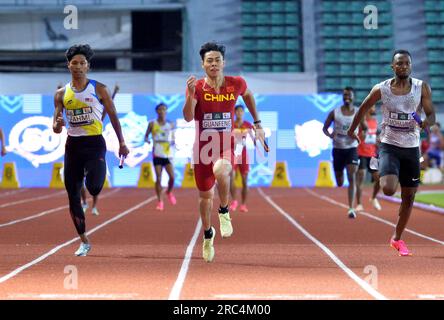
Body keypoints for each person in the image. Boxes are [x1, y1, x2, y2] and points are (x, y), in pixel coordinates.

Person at [347, 49, 436, 256]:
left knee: (409, 197)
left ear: (411, 66)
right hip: (389, 144)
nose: (403, 66)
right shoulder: (382, 89)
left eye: (406, 63)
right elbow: (362, 107)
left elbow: (431, 114)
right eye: (399, 63)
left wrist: (426, 123)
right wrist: (352, 130)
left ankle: (397, 238)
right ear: (392, 66)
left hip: (412, 147)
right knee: (388, 189)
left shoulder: (421, 88)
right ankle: (380, 161)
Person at [183, 41, 265, 262]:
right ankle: (208, 234)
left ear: (223, 62)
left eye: (217, 60)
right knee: (204, 198)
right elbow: (189, 117)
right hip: (202, 149)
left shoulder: (236, 83)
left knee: (222, 170)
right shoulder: (197, 87)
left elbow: (248, 96)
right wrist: (191, 95)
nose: (214, 64)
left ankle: (224, 210)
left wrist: (257, 123)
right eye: (209, 60)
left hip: (225, 146)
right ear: (203, 64)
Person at [53, 44, 129, 257]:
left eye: (82, 63)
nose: (78, 66)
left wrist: (122, 143)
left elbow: (113, 116)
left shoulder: (99, 89)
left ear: (88, 66)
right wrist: (58, 124)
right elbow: (56, 127)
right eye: (74, 63)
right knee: (73, 195)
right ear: (69, 65)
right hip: (73, 146)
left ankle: (91, 173)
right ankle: (84, 240)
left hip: (95, 143)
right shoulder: (60, 94)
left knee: (94, 188)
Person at [323, 86, 362, 219]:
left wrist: (359, 136)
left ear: (353, 97)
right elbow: (325, 128)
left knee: (352, 176)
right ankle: (340, 176)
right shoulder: (335, 112)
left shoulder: (358, 112)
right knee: (340, 181)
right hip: (338, 149)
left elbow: (366, 128)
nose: (347, 97)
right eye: (345, 95)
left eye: (349, 95)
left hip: (351, 148)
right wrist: (330, 135)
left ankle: (351, 208)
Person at [80, 83, 120, 216]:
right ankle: (84, 203)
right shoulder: (80, 118)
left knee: (96, 182)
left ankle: (94, 207)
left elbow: (108, 106)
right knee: (81, 180)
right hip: (81, 149)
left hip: (96, 150)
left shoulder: (99, 118)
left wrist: (114, 92)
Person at [144, 103, 177, 211]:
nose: (162, 111)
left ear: (166, 111)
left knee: (172, 177)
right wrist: (147, 140)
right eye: (160, 109)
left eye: (164, 109)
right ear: (157, 111)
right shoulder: (152, 124)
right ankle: (160, 201)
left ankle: (169, 192)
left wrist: (175, 144)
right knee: (158, 177)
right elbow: (146, 135)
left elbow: (174, 137)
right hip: (157, 153)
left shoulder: (171, 124)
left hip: (168, 154)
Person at [356, 105, 382, 211]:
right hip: (361, 153)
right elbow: (360, 137)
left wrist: (377, 141)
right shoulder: (361, 122)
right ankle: (359, 204)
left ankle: (373, 197)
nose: (374, 109)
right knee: (361, 177)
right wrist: (366, 136)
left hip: (372, 155)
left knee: (379, 180)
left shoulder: (375, 122)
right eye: (373, 106)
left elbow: (373, 138)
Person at [229, 105, 255, 213]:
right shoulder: (231, 124)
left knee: (245, 181)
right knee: (231, 178)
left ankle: (243, 204)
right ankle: (234, 201)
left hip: (243, 154)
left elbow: (254, 137)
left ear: (243, 113)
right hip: (233, 153)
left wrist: (256, 140)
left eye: (241, 111)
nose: (239, 113)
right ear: (234, 113)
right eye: (237, 111)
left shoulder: (247, 125)